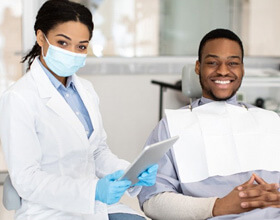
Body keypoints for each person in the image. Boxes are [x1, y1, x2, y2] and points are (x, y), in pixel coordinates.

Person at [0, 0, 158, 220]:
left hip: (95, 207)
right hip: (49, 212)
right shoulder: (19, 98)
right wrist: (92, 191)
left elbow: (97, 151)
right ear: (40, 37)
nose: (72, 52)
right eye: (63, 43)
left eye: (81, 46)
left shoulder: (86, 90)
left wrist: (129, 172)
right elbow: (27, 180)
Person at [138, 28, 280, 220]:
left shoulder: (270, 121)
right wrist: (217, 206)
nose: (222, 70)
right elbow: (152, 201)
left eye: (233, 63)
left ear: (242, 68)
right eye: (212, 62)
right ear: (198, 67)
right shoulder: (172, 126)